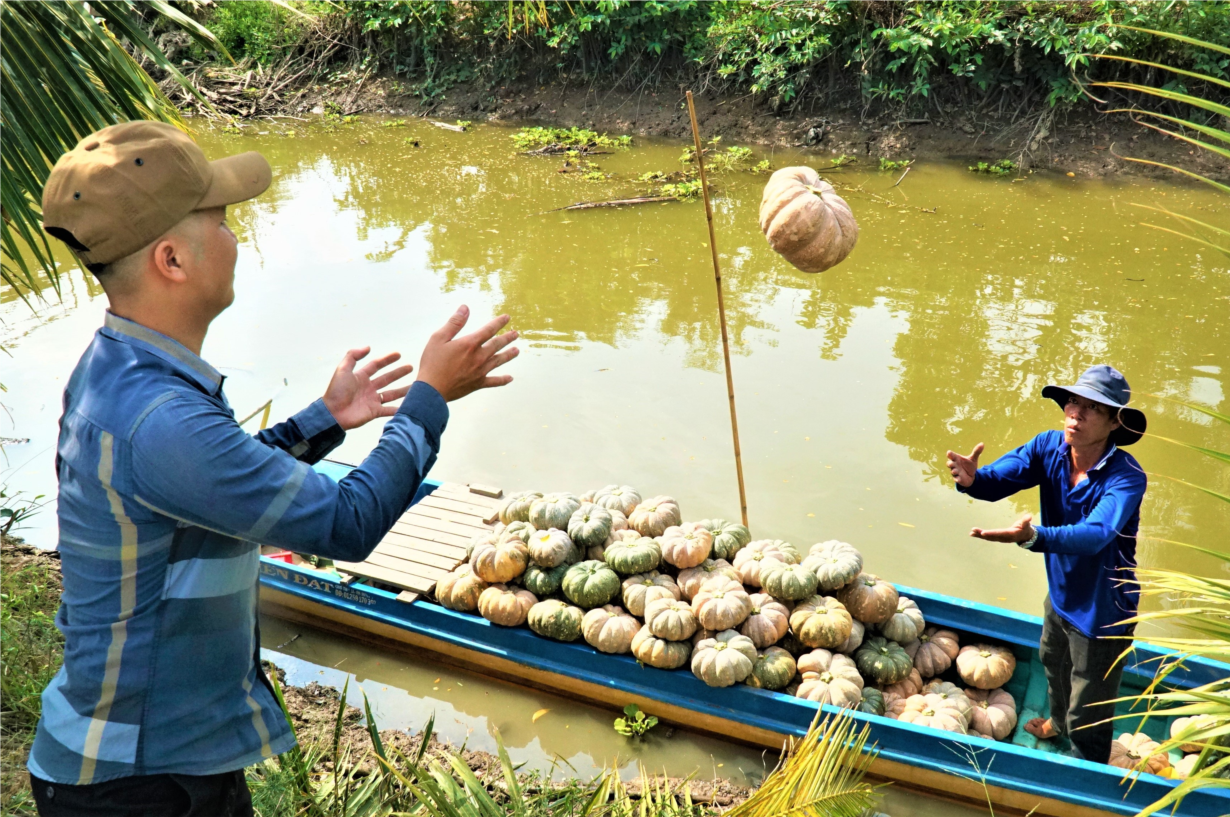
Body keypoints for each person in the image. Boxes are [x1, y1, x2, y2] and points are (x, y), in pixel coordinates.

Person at [29, 120, 518, 816]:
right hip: (135, 782)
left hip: (162, 761)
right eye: (222, 222)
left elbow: (208, 485)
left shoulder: (125, 372)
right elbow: (348, 523)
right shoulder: (160, 418)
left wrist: (322, 419)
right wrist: (428, 398)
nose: (236, 238)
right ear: (173, 259)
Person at [945, 364, 1147, 764]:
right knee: (1052, 662)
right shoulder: (1047, 447)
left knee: (1089, 704)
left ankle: (1086, 770)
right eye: (1073, 401)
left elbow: (1095, 535)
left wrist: (1035, 538)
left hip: (1104, 608)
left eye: (1092, 407)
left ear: (1113, 423)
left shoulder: (1126, 477)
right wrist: (973, 480)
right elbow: (998, 479)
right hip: (1062, 594)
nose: (1076, 413)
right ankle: (1056, 722)